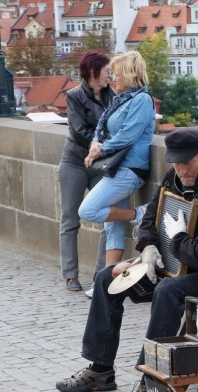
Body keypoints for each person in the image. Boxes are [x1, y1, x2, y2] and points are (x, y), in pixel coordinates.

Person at [56, 129, 198, 392]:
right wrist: (147, 247)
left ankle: (152, 379)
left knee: (168, 291)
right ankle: (100, 370)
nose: (181, 169)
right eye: (176, 162)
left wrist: (177, 239)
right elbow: (150, 216)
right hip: (177, 266)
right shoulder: (176, 178)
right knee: (105, 278)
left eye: (188, 162)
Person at [80, 50, 155, 268]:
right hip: (115, 167)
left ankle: (139, 214)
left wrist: (101, 151)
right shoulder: (121, 99)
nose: (113, 78)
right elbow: (102, 126)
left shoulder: (141, 100)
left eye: (117, 74)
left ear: (130, 74)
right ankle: (105, 280)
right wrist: (95, 142)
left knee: (88, 210)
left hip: (130, 169)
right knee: (112, 227)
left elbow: (128, 135)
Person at [58, 50, 114, 296]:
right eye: (106, 70)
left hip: (101, 163)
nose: (110, 75)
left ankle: (100, 275)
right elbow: (79, 131)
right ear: (92, 72)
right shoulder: (74, 96)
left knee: (108, 217)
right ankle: (70, 275)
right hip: (74, 162)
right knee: (70, 218)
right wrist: (105, 140)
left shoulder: (113, 95)